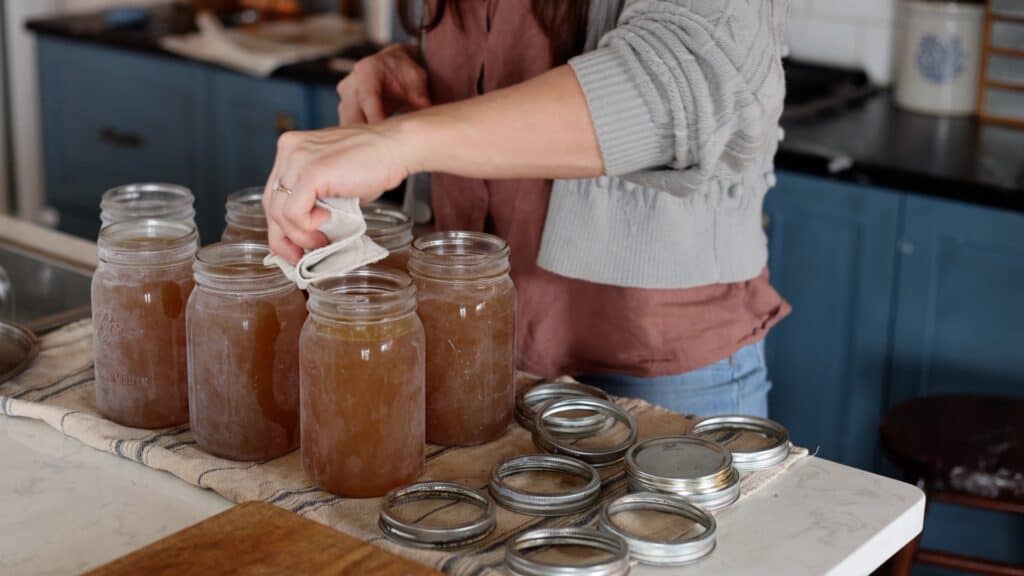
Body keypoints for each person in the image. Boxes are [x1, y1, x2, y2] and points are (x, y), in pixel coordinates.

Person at [262, 0, 792, 417]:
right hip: (480, 339)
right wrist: (421, 70)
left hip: (659, 361)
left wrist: (401, 142)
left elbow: (689, 77)